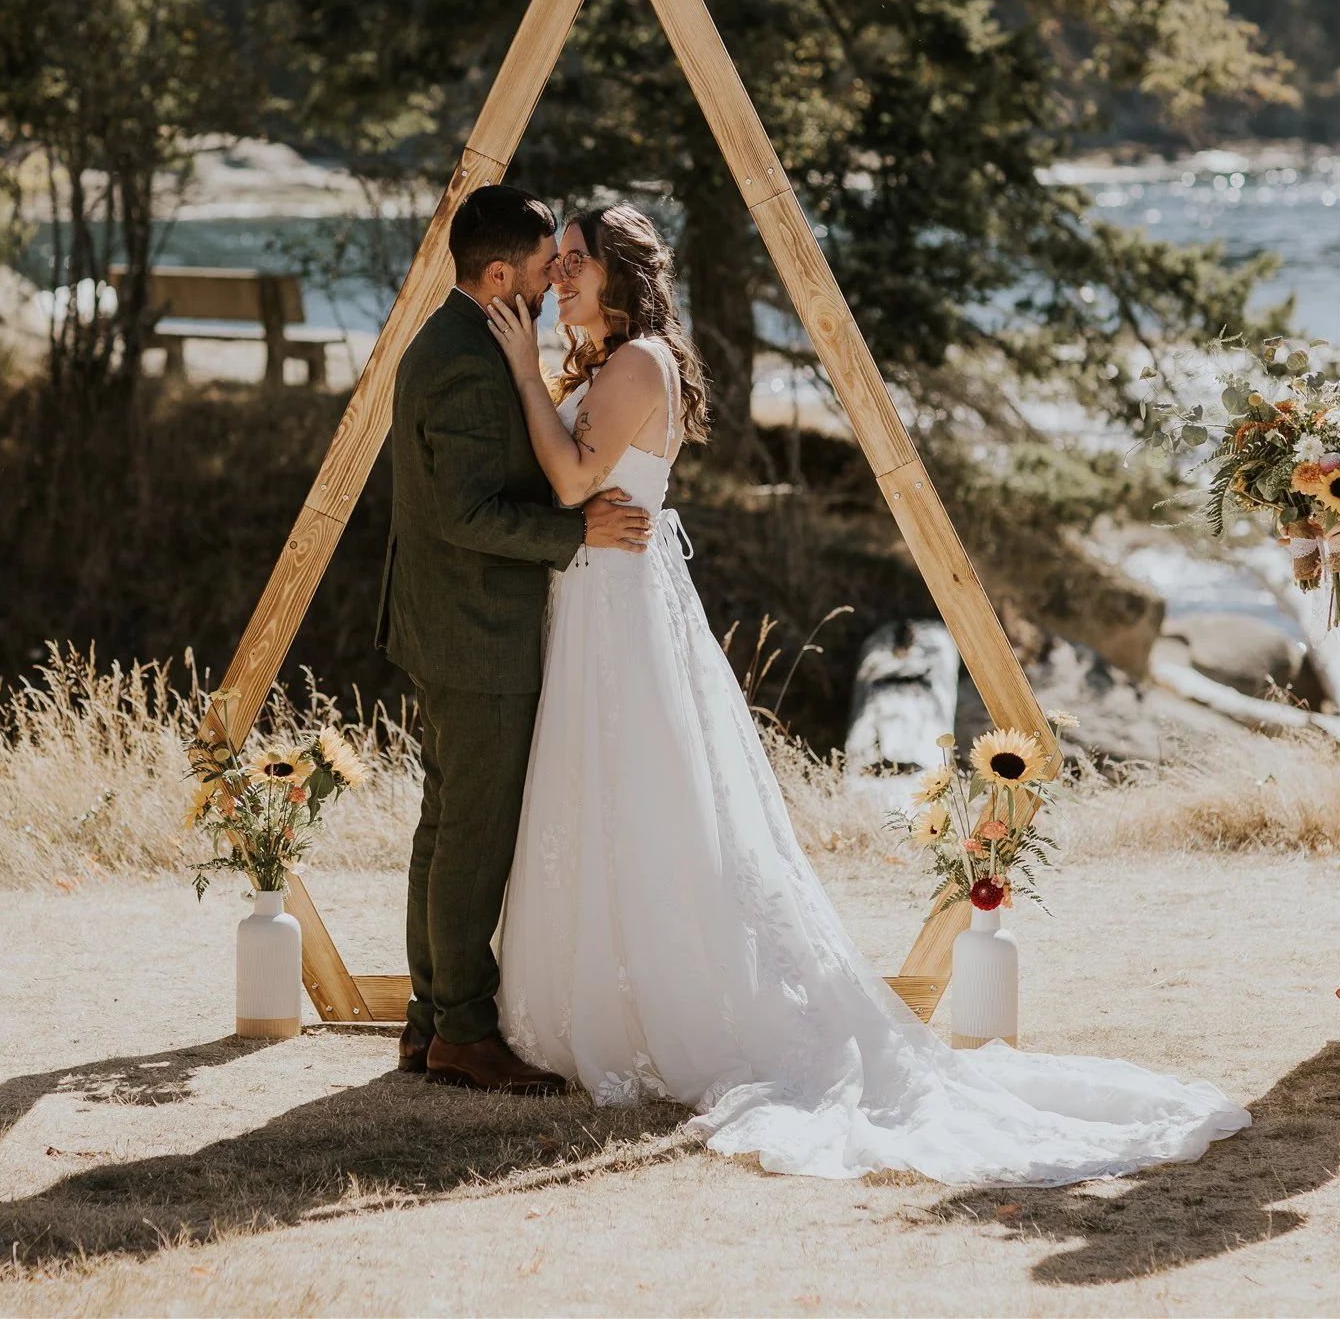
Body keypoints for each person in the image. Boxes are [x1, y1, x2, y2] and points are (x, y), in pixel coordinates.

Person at [485, 202, 1252, 1183]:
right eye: (556, 266)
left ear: (622, 274)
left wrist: (519, 367)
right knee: (625, 794)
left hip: (620, 603)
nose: (558, 280)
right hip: (607, 597)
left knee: (640, 795)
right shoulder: (617, 360)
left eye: (576, 263)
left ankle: (655, 1006)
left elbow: (567, 482)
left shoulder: (635, 362)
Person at [377, 185, 653, 1093]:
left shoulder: (467, 339)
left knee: (446, 824)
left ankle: (429, 1020)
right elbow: (464, 512)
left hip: (453, 620)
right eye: (544, 267)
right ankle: (459, 1028)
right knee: (473, 836)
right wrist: (576, 535)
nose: (554, 278)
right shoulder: (464, 360)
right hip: (474, 627)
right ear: (501, 275)